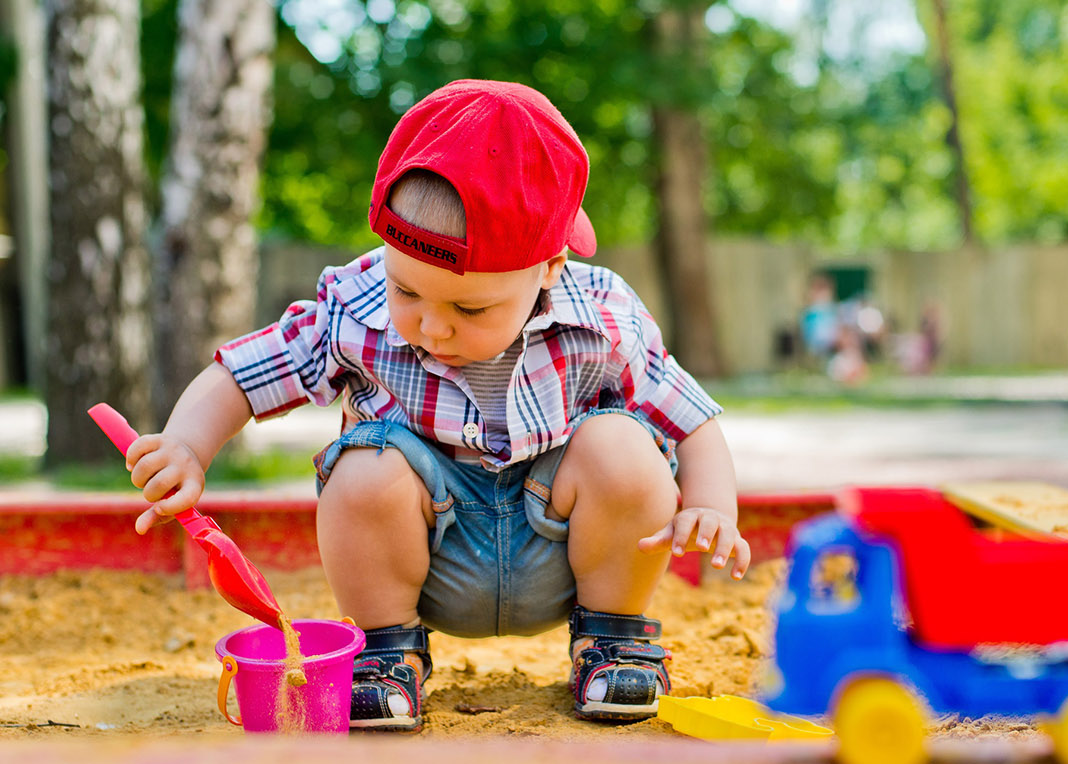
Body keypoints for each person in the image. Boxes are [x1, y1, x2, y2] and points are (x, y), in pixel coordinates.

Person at [119, 80, 749, 731]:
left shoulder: (603, 316)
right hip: (426, 558)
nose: (431, 326)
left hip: (561, 552)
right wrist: (187, 445)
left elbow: (692, 420)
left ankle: (614, 643)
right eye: (407, 291)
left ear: (550, 267)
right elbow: (245, 374)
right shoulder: (357, 303)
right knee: (365, 466)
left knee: (624, 445)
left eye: (469, 308)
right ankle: (387, 656)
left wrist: (710, 506)